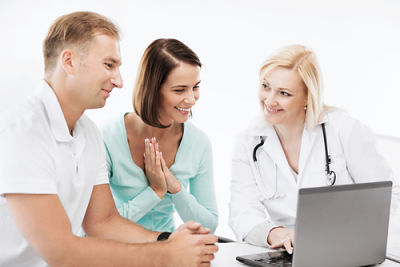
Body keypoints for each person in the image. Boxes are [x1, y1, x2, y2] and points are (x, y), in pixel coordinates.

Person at [0, 11, 217, 267]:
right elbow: (60, 251)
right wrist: (167, 255)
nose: (119, 81)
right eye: (109, 65)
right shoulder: (24, 129)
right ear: (69, 62)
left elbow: (102, 222)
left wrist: (167, 240)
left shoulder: (88, 132)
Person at [228, 44, 399, 254]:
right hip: (286, 251)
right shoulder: (249, 142)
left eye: (284, 93)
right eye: (265, 86)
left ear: (308, 97)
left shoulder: (344, 130)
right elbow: (241, 212)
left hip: (346, 247)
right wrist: (277, 234)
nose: (269, 100)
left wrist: (353, 237)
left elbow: (386, 195)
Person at [102, 38, 218, 233]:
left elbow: (209, 224)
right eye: (180, 90)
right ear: (152, 89)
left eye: (195, 87)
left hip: (167, 250)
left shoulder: (199, 142)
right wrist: (155, 192)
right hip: (116, 251)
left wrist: (176, 188)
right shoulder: (108, 138)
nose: (191, 99)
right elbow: (97, 226)